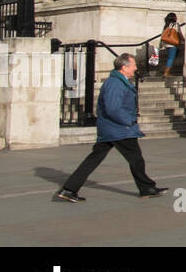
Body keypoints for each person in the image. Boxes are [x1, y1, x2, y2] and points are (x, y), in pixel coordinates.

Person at [55, 53, 168, 202]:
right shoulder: (115, 83)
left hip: (112, 129)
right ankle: (146, 188)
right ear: (124, 67)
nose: (135, 68)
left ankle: (69, 189)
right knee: (136, 159)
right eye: (133, 65)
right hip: (119, 129)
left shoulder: (119, 81)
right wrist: (129, 120)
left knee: (94, 159)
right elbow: (113, 108)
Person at [158, 13, 183, 78]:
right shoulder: (175, 24)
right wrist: (183, 39)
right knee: (171, 58)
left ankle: (165, 71)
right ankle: (166, 72)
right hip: (172, 43)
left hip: (166, 43)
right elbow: (179, 33)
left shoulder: (166, 25)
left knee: (169, 58)